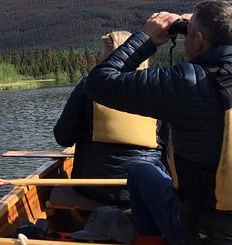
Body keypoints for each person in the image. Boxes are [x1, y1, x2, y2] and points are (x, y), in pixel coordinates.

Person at [85, 0, 232, 244]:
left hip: (205, 234)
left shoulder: (187, 82)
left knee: (140, 173)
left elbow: (100, 83)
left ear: (197, 39)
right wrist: (200, 24)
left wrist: (147, 38)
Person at [53, 30, 166, 207]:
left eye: (100, 52)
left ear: (106, 55)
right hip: (142, 191)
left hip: (92, 189)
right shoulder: (158, 89)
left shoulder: (88, 87)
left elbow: (63, 138)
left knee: (57, 191)